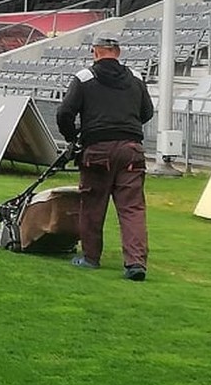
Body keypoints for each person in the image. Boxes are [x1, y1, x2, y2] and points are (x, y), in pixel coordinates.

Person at [56, 31, 154, 281]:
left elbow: (64, 113)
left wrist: (73, 137)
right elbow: (147, 112)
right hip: (132, 149)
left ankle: (90, 257)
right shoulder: (135, 77)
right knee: (132, 208)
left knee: (92, 205)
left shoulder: (85, 77)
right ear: (118, 53)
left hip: (97, 150)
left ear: (95, 52)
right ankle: (135, 263)